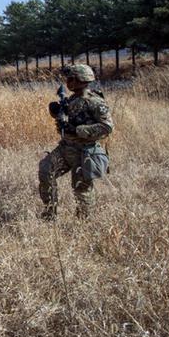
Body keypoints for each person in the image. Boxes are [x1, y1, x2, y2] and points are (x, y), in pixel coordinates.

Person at [38, 64, 114, 220]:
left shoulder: (95, 101)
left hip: (85, 152)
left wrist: (79, 130)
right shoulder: (72, 99)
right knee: (46, 172)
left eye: (71, 79)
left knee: (81, 189)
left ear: (81, 80)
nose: (68, 82)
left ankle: (84, 223)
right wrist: (56, 112)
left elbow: (107, 127)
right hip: (66, 148)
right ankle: (49, 213)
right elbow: (66, 121)